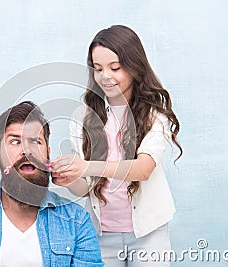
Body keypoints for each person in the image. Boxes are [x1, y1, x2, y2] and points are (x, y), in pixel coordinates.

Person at [51, 25, 183, 266]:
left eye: (115, 68)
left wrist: (86, 166)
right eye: (98, 69)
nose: (105, 77)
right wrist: (70, 178)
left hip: (148, 234)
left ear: (135, 67)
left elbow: (143, 169)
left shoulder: (154, 115)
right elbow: (85, 189)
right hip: (100, 234)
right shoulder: (82, 117)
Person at [0, 101, 103, 267]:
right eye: (15, 142)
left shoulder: (77, 222)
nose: (26, 151)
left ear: (48, 154)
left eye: (35, 141)